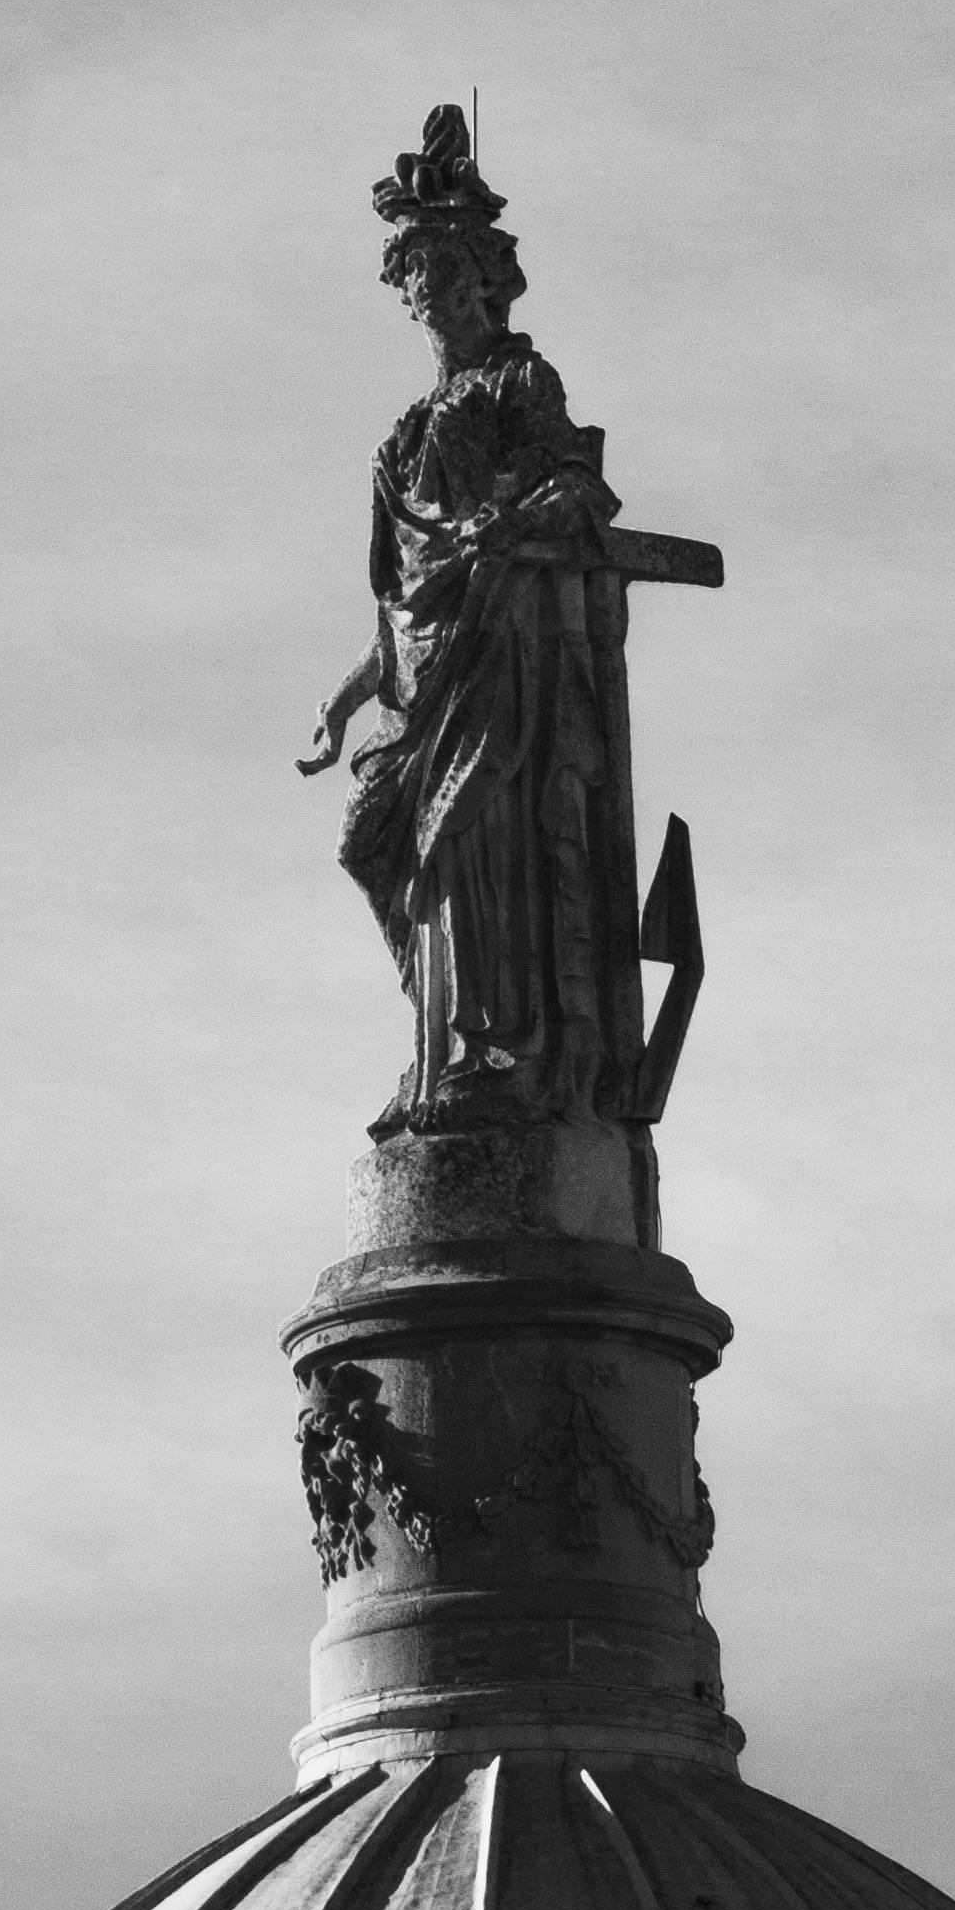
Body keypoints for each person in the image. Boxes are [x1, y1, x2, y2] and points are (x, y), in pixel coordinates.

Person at [299, 109, 647, 1138]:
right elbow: (400, 603)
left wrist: (507, 526)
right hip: (427, 677)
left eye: (447, 278)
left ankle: (497, 1052)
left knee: (478, 841)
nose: (431, 299)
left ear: (484, 283)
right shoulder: (403, 436)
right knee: (376, 845)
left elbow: (582, 495)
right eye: (417, 284)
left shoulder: (518, 385)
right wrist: (340, 703)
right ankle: (443, 1034)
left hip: (502, 664)